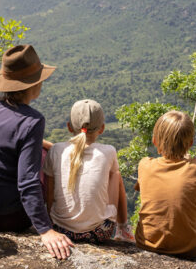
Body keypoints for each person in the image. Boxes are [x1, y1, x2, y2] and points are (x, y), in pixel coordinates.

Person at [0, 44, 74, 260]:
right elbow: (27, 182)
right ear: (33, 84)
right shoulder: (33, 121)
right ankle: (57, 221)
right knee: (47, 161)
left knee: (43, 151)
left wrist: (42, 144)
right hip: (6, 219)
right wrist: (45, 230)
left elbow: (2, 140)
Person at [43, 99, 134, 244]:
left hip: (60, 229)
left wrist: (49, 224)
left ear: (69, 127)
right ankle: (123, 228)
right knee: (116, 175)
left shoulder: (56, 150)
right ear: (102, 128)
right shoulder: (108, 151)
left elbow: (49, 193)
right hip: (99, 233)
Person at [134, 110, 196, 260]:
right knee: (195, 196)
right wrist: (186, 161)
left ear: (155, 141)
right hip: (190, 250)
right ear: (191, 143)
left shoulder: (144, 165)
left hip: (147, 244)